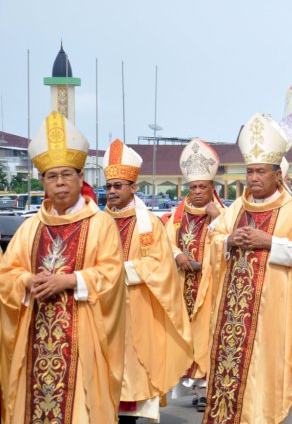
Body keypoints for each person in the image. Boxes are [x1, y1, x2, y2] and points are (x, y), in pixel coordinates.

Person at [0, 112, 126, 422]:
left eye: (67, 175)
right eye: (52, 176)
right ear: (41, 180)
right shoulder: (30, 228)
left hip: (82, 340)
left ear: (81, 177)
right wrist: (28, 281)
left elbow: (113, 274)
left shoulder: (100, 225)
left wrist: (70, 281)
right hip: (35, 340)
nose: (59, 183)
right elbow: (7, 276)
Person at [205, 114, 292, 423]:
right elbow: (213, 241)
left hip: (272, 316)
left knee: (266, 373)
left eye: (260, 172)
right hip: (232, 314)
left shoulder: (291, 211)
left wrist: (270, 242)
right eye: (250, 171)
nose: (253, 178)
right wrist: (229, 241)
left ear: (276, 175)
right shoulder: (237, 209)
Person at [102, 139, 193, 422]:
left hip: (135, 314)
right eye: (109, 186)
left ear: (133, 187)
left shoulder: (148, 224)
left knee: (129, 386)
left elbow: (159, 265)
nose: (113, 191)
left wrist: (118, 271)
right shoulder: (97, 221)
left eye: (119, 186)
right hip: (100, 311)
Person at [165, 138, 226, 411]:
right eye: (193, 187)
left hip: (210, 286)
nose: (198, 191)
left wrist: (215, 220)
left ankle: (206, 390)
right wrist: (178, 255)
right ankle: (194, 386)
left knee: (208, 337)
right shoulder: (178, 214)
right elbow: (164, 242)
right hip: (182, 284)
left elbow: (227, 244)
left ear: (212, 187)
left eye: (202, 186)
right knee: (187, 337)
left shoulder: (223, 213)